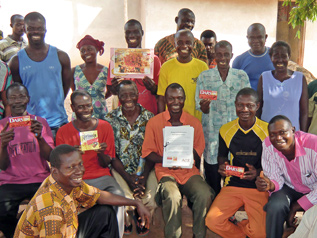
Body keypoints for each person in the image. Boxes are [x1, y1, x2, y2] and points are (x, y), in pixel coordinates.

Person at [14, 144, 151, 238]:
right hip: (56, 231)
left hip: (67, 231)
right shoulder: (51, 209)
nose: (79, 171)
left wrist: (136, 203)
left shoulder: (67, 182)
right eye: (71, 167)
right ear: (55, 171)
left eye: (80, 164)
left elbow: (99, 196)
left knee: (105, 213)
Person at [142, 83, 214, 238]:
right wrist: (168, 159)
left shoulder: (194, 123)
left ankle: (198, 234)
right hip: (165, 171)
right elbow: (147, 153)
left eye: (180, 98)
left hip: (189, 171)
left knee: (204, 193)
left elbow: (198, 152)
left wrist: (184, 154)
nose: (176, 102)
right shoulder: (154, 123)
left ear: (184, 99)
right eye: (171, 98)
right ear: (166, 100)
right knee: (172, 196)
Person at [55, 90, 125, 237]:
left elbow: (107, 163)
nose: (85, 110)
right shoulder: (63, 132)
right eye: (80, 107)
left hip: (102, 176)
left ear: (92, 106)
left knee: (119, 197)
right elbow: (61, 168)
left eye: (88, 106)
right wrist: (72, 155)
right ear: (73, 108)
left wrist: (100, 152)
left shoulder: (105, 127)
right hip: (76, 179)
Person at [205, 88, 268, 238]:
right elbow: (222, 156)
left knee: (260, 233)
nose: (244, 109)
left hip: (258, 187)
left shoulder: (266, 130)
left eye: (250, 105)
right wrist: (223, 166)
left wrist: (258, 171)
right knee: (212, 221)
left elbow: (276, 162)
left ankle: (245, 226)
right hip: (233, 184)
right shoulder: (226, 129)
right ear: (235, 105)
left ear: (257, 106)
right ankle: (241, 234)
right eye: (240, 105)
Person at [195, 40, 250, 195]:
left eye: (226, 54)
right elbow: (201, 107)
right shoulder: (205, 77)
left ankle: (230, 209)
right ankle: (214, 210)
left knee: (233, 174)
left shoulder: (241, 77)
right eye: (219, 54)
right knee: (212, 176)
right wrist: (205, 107)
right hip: (212, 135)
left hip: (234, 136)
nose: (223, 58)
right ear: (214, 55)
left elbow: (248, 104)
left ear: (232, 55)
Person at [0, 82, 54, 238]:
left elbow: (50, 157)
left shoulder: (40, 122)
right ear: (7, 101)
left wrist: (40, 138)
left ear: (28, 99)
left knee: (50, 209)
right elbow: (2, 166)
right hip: (11, 182)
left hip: (40, 179)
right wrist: (3, 145)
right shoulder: (2, 126)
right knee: (2, 211)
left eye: (21, 96)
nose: (17, 101)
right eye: (13, 98)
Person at [105, 80, 156, 236]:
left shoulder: (150, 118)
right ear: (118, 97)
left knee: (150, 198)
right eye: (123, 95)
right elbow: (112, 156)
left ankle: (144, 218)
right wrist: (129, 179)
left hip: (146, 169)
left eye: (132, 94)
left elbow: (152, 152)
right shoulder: (110, 119)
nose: (128, 99)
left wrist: (142, 178)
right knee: (124, 197)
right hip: (121, 169)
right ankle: (127, 220)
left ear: (138, 95)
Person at [9, 12, 71, 137]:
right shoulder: (16, 61)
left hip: (59, 123)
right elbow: (19, 91)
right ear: (25, 29)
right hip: (31, 125)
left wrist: (56, 101)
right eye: (31, 29)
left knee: (59, 156)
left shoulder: (61, 56)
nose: (35, 32)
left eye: (39, 28)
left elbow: (66, 85)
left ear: (45, 30)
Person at [256, 115, 317, 238]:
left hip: (314, 188)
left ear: (293, 130)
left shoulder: (313, 144)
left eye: (282, 132)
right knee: (275, 206)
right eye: (272, 134)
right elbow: (275, 177)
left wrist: (296, 206)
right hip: (288, 186)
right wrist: (270, 184)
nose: (278, 138)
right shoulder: (268, 145)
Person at [107, 19, 161, 115]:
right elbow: (113, 92)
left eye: (136, 32)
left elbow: (159, 92)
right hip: (125, 114)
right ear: (125, 35)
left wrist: (153, 88)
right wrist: (114, 87)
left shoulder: (153, 59)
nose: (131, 35)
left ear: (142, 33)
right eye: (128, 32)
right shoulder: (116, 60)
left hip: (148, 113)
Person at [257, 41, 308, 132]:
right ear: (271, 57)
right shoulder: (264, 77)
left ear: (289, 57)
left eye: (284, 56)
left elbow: (304, 112)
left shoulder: (299, 78)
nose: (280, 60)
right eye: (276, 56)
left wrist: (302, 135)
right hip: (267, 133)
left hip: (292, 135)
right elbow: (258, 107)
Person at [157, 29, 208, 120]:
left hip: (196, 121)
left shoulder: (202, 67)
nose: (184, 46)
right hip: (172, 122)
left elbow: (207, 97)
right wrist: (162, 121)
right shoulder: (166, 67)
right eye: (180, 42)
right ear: (175, 44)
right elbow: (161, 97)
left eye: (188, 42)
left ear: (193, 45)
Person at [71, 35, 110, 119]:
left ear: (96, 50)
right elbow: (74, 92)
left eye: (89, 49)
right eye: (83, 51)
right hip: (80, 117)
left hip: (101, 114)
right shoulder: (74, 71)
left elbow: (110, 91)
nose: (86, 53)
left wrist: (99, 98)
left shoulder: (105, 71)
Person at [232, 23, 274, 90]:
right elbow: (233, 86)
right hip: (249, 99)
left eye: (259, 37)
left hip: (271, 99)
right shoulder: (239, 61)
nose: (256, 41)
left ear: (265, 37)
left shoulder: (276, 57)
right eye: (252, 38)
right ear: (247, 38)